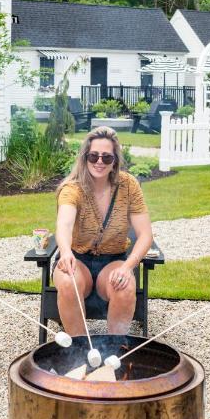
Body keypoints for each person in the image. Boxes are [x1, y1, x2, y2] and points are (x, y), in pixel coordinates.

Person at [53, 125, 153, 336]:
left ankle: (114, 354)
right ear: (85, 157)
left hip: (113, 260)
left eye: (107, 158)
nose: (99, 162)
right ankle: (79, 352)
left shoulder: (129, 186)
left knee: (124, 286)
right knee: (68, 280)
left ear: (115, 160)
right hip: (77, 259)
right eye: (94, 156)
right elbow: (64, 224)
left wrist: (128, 267)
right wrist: (65, 252)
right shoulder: (72, 188)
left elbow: (145, 235)